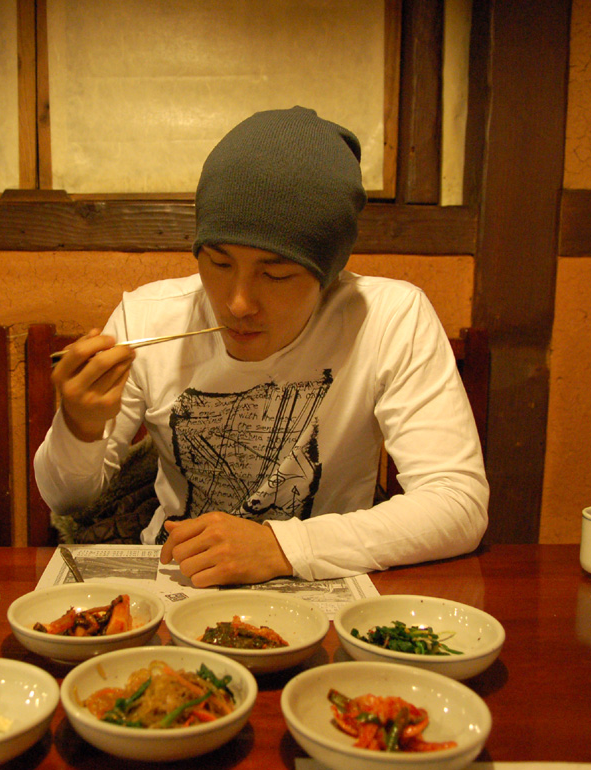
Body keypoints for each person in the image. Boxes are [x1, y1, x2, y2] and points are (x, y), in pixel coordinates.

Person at [34, 106, 488, 586]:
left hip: (323, 581)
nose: (238, 303)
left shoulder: (388, 318)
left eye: (276, 274)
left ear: (328, 274)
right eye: (219, 263)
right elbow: (66, 501)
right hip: (176, 580)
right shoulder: (148, 317)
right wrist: (80, 427)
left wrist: (282, 547)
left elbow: (458, 502)